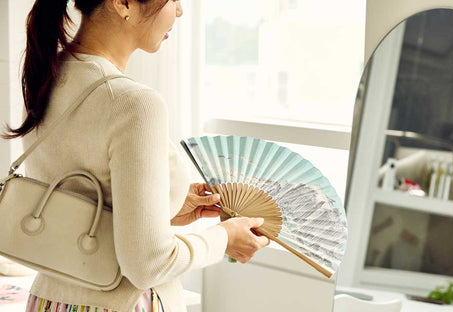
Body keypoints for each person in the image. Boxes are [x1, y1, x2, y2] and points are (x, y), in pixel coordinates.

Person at [0, 0, 270, 311]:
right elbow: (148, 264)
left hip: (49, 300)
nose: (180, 11)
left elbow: (78, 199)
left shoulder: (47, 77)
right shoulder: (134, 104)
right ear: (123, 3)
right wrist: (224, 238)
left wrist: (164, 207)